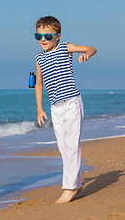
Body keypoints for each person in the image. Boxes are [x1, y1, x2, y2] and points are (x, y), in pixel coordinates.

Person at [33, 16, 97, 203]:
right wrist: (39, 109)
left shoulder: (64, 47)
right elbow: (39, 84)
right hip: (55, 107)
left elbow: (91, 48)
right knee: (63, 147)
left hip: (71, 103)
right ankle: (76, 183)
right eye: (38, 35)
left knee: (72, 145)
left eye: (47, 35)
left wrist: (86, 55)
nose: (43, 39)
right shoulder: (38, 58)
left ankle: (69, 188)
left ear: (58, 36)